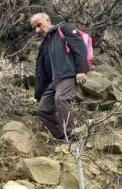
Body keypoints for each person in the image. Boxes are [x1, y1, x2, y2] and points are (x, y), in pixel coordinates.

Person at [30, 12, 89, 141]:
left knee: (61, 98)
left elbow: (80, 47)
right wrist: (40, 93)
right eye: (34, 28)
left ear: (47, 19)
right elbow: (42, 70)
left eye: (39, 25)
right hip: (55, 81)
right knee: (42, 109)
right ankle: (63, 137)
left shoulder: (64, 29)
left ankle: (71, 135)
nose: (37, 30)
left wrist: (81, 70)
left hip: (69, 74)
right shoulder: (46, 42)